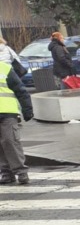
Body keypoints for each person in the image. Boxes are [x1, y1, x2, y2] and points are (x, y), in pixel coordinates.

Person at [0, 55, 33, 186]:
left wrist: (27, 108)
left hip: (7, 112)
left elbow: (20, 90)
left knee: (10, 141)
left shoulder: (5, 68)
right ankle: (6, 172)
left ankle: (21, 171)